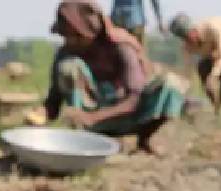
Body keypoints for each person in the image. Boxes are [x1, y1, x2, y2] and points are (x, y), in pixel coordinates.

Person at [42, 0, 185, 155]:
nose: (70, 41)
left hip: (127, 114)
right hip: (90, 118)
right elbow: (53, 101)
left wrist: (93, 117)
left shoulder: (121, 47)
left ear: (92, 32)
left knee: (171, 85)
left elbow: (134, 99)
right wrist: (42, 114)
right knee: (68, 67)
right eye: (66, 36)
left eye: (76, 36)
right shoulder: (65, 53)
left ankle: (144, 139)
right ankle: (83, 137)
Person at [169, 13, 221, 114]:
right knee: (202, 69)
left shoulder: (213, 30)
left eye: (188, 37)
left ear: (193, 30)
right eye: (184, 39)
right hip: (214, 48)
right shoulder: (186, 47)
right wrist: (183, 88)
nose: (188, 41)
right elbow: (187, 70)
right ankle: (215, 107)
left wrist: (213, 76)